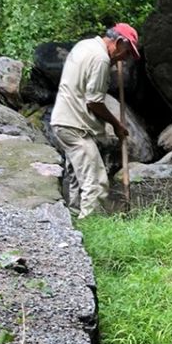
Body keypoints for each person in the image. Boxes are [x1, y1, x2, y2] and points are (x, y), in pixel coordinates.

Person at [50, 23, 140, 218]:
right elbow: (94, 102)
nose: (126, 58)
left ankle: (73, 220)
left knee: (76, 178)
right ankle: (90, 226)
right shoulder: (100, 59)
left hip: (63, 121)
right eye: (127, 51)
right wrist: (116, 125)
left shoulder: (85, 45)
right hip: (74, 126)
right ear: (119, 42)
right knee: (95, 181)